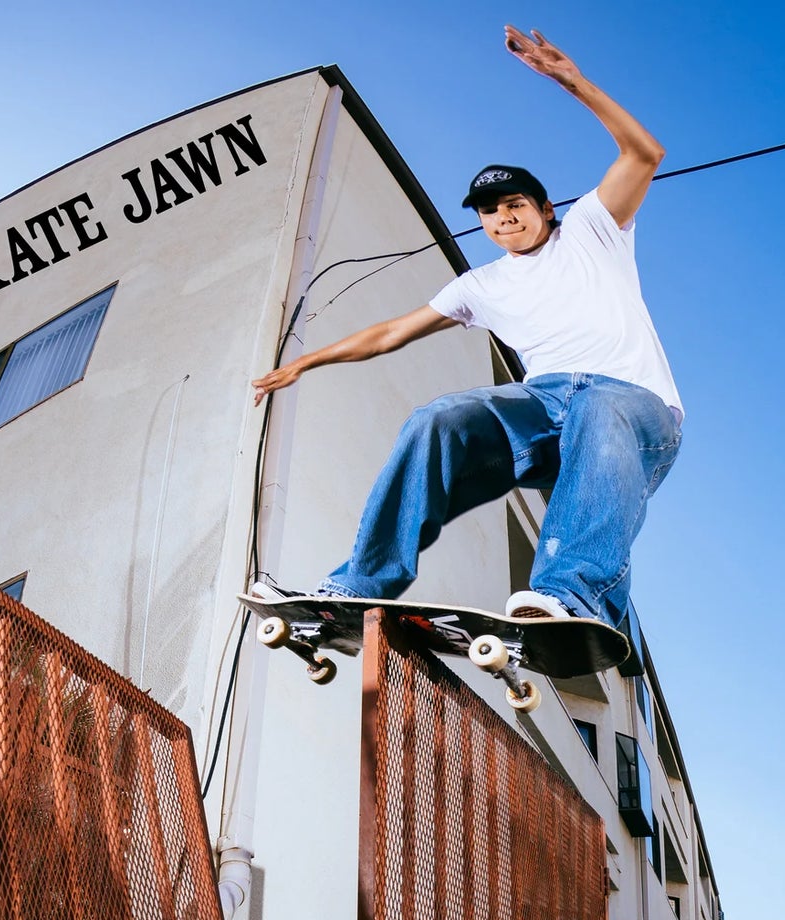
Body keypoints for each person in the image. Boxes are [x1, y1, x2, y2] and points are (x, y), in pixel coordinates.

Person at [250, 25, 681, 634]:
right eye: (491, 215)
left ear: (544, 209)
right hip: (543, 405)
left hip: (635, 409)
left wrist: (573, 82)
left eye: (515, 208)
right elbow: (391, 332)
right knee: (439, 419)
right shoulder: (479, 286)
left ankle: (573, 596)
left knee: (599, 409)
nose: (504, 221)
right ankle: (357, 588)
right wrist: (305, 362)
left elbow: (645, 154)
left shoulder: (592, 229)